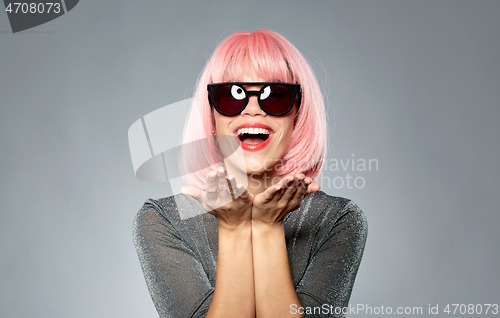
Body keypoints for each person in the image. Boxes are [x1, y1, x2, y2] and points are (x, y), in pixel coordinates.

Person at [133, 29, 367, 318]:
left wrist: (268, 228)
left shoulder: (338, 220)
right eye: (233, 95)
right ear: (212, 114)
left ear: (298, 112)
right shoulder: (162, 220)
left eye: (275, 96)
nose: (253, 110)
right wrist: (235, 229)